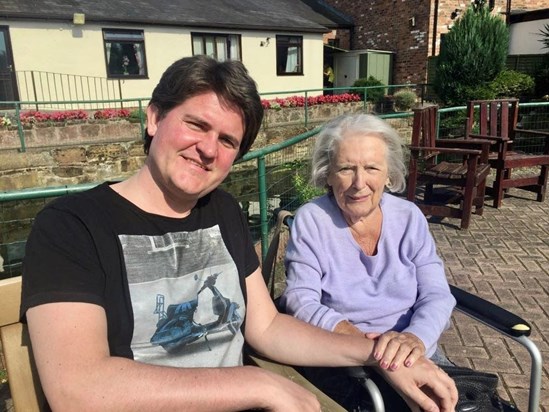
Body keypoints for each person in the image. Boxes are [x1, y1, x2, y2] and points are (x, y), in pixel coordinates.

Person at [21, 56, 457, 412]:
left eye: (228, 141)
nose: (209, 149)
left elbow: (266, 326)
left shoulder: (222, 211)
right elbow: (77, 388)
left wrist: (380, 355)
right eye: (196, 125)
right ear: (154, 118)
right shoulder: (71, 226)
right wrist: (259, 383)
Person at [280, 113, 457, 410]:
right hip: (348, 362)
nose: (359, 183)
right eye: (346, 169)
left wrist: (414, 339)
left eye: (371, 168)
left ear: (389, 174)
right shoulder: (312, 220)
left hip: (415, 352)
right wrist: (366, 344)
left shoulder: (409, 217)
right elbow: (300, 300)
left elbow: (437, 294)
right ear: (328, 174)